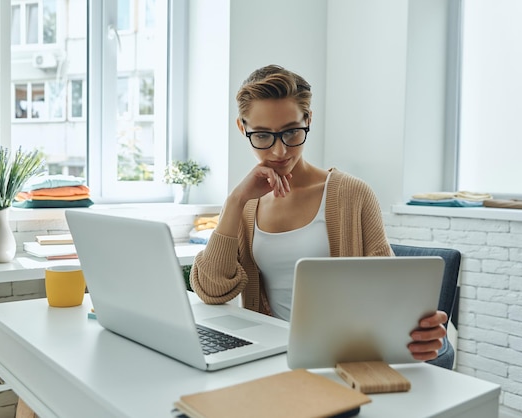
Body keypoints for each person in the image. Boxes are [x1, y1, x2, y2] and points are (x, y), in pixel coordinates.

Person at [190, 64, 447, 361]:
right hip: (268, 357)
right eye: (262, 136)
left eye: (291, 132)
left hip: (342, 356)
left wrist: (418, 329)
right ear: (242, 127)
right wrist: (235, 201)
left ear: (308, 119)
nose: (279, 152)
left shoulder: (352, 193)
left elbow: (388, 293)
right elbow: (211, 290)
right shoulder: (245, 202)